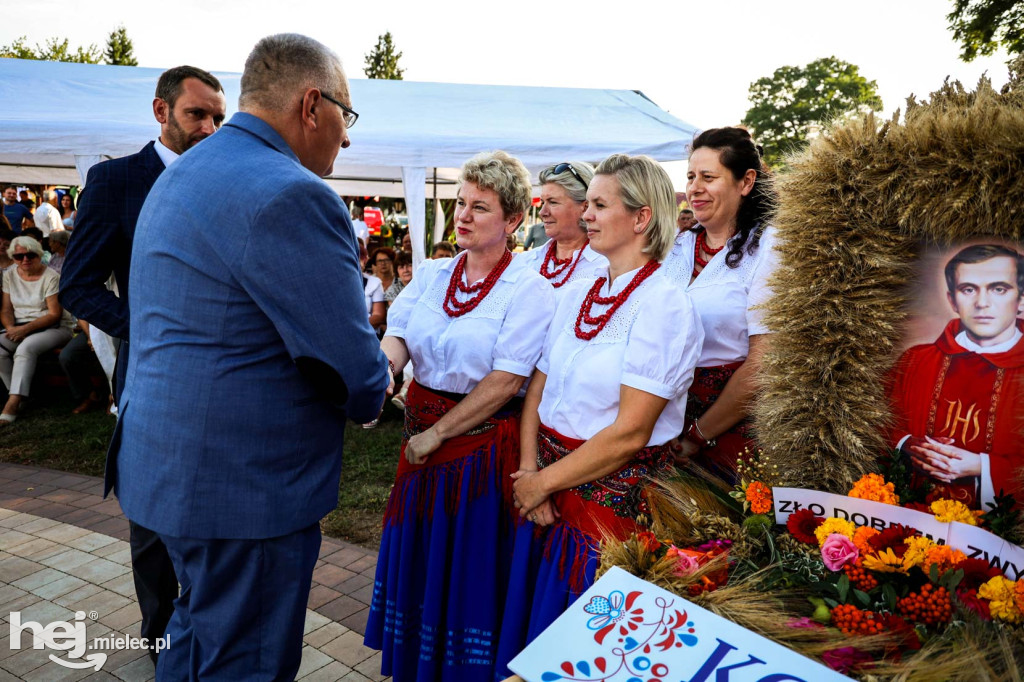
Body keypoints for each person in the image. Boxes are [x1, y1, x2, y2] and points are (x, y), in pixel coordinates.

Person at [110, 34, 389, 680]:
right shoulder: (295, 195)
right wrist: (384, 374)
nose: (346, 140)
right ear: (312, 105)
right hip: (243, 494)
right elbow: (355, 371)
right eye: (347, 117)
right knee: (244, 664)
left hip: (162, 470)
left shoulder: (181, 174)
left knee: (192, 642)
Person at [495, 154, 703, 676]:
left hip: (606, 518)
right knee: (530, 634)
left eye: (599, 205)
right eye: (585, 204)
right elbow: (538, 385)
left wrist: (542, 482)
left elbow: (630, 432)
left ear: (641, 219)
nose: (586, 214)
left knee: (579, 653)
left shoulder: (665, 304)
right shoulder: (584, 288)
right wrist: (530, 473)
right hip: (546, 491)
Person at [58, 64, 227, 667]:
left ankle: (207, 631)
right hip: (151, 374)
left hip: (225, 381)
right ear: (161, 111)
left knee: (215, 509)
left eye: (217, 117)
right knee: (153, 517)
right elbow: (78, 285)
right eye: (196, 114)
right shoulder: (116, 181)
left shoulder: (232, 181)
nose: (209, 127)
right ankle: (161, 642)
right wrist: (149, 330)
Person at [364, 150, 554, 681]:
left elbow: (506, 380)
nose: (463, 216)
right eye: (460, 203)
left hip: (477, 455)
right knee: (422, 564)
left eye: (480, 207)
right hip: (419, 445)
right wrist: (381, 376)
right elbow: (397, 334)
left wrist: (439, 434)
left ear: (514, 220)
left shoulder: (531, 288)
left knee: (467, 569)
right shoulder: (431, 274)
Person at [661, 127, 778, 481]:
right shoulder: (678, 246)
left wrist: (699, 433)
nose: (694, 187)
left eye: (708, 177)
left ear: (745, 182)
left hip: (727, 431)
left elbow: (764, 361)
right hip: (662, 422)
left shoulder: (771, 248)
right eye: (691, 176)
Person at [888, 243, 1024, 510]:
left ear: (1021, 299)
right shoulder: (916, 360)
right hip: (910, 524)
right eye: (968, 289)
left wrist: (981, 466)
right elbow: (874, 424)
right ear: (952, 300)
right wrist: (906, 444)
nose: (982, 303)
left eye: (999, 289)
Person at [0, 237, 75, 424]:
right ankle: (20, 397)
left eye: (30, 255)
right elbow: (6, 309)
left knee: (26, 348)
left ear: (39, 255)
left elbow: (54, 314)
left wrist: (24, 329)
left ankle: (13, 402)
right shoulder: (9, 274)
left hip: (55, 328)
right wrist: (10, 328)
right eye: (18, 256)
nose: (24, 259)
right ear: (13, 257)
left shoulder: (51, 277)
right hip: (20, 326)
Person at [518, 161, 607, 292]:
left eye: (553, 202)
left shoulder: (605, 268)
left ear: (585, 207)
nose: (543, 212)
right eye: (543, 202)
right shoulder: (525, 262)